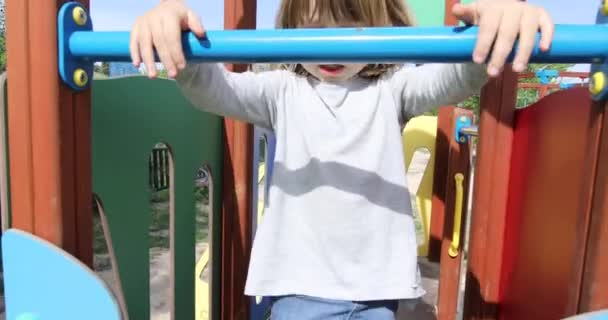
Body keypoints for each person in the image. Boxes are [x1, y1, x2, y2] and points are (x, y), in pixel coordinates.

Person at [130, 0, 554, 318]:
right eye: (313, 24)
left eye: (351, 23)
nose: (329, 42)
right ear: (293, 27)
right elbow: (215, 89)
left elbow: (458, 76)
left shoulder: (393, 89)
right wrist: (174, 39)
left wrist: (497, 26)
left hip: (374, 294)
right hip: (298, 289)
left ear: (384, 27)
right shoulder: (282, 90)